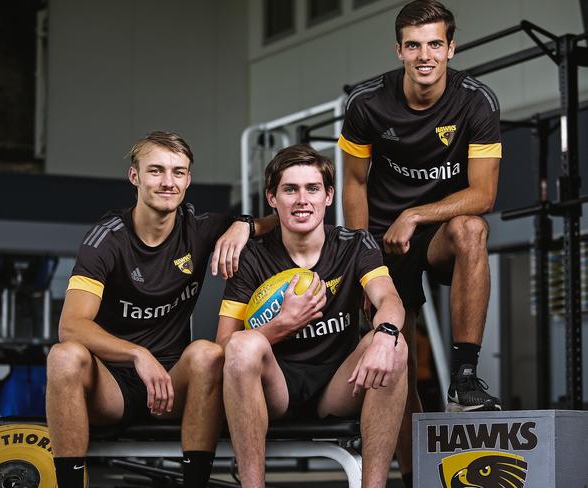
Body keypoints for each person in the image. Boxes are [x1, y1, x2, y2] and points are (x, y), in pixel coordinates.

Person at [46, 130, 276, 488]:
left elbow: (286, 219)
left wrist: (242, 226)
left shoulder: (200, 230)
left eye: (178, 172)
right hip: (112, 386)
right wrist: (138, 354)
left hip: (172, 386)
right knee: (64, 356)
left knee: (206, 353)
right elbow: (71, 326)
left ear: (188, 179)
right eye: (156, 171)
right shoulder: (106, 240)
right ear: (134, 177)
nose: (168, 182)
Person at [337, 0, 502, 485]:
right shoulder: (367, 103)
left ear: (451, 48)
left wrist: (415, 214)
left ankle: (465, 377)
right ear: (399, 50)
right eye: (413, 46)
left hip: (435, 230)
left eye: (435, 44)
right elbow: (353, 182)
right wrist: (363, 254)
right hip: (383, 241)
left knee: (473, 229)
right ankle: (412, 476)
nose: (424, 55)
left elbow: (484, 193)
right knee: (397, 366)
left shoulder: (477, 102)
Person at [217, 144, 407, 488]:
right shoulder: (252, 257)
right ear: (272, 198)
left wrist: (385, 333)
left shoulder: (355, 244)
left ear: (329, 196)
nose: (302, 199)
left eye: (312, 189)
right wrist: (281, 325)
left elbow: (389, 299)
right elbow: (224, 345)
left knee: (395, 345)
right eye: (290, 189)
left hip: (337, 386)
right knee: (242, 347)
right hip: (276, 389)